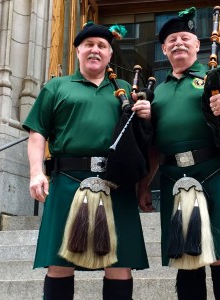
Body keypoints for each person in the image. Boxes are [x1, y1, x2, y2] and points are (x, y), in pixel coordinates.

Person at [137, 7, 220, 300]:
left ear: (197, 45)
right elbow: (154, 147)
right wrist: (144, 185)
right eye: (171, 40)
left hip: (216, 171)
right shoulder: (157, 92)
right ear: (164, 49)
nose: (178, 43)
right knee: (187, 258)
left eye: (184, 38)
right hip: (173, 179)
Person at [23, 21, 151, 300]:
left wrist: (146, 115)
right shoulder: (57, 87)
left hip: (115, 183)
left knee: (119, 264)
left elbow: (141, 139)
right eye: (89, 45)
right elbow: (37, 133)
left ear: (109, 55)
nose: (95, 50)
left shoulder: (124, 90)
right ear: (78, 50)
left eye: (102, 46)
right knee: (59, 265)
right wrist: (36, 172)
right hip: (67, 180)